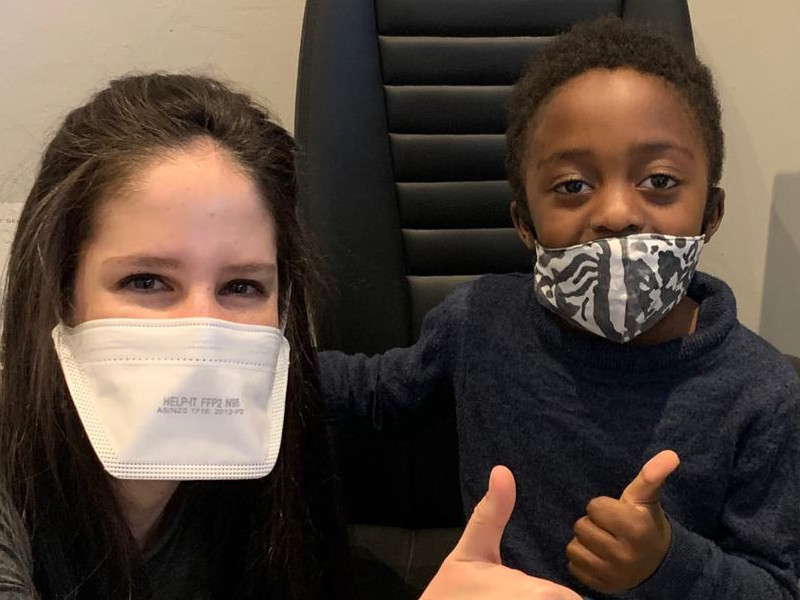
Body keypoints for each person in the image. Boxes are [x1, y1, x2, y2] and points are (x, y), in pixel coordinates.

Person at [0, 73, 579, 600]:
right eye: (146, 281)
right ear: (60, 293)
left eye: (242, 287)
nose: (204, 333)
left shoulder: (261, 480)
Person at [319, 17, 800, 600]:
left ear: (711, 214)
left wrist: (667, 565)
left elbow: (776, 585)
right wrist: (244, 355)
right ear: (524, 223)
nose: (617, 214)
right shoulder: (479, 323)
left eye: (659, 180)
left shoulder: (763, 393)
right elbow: (373, 394)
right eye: (574, 186)